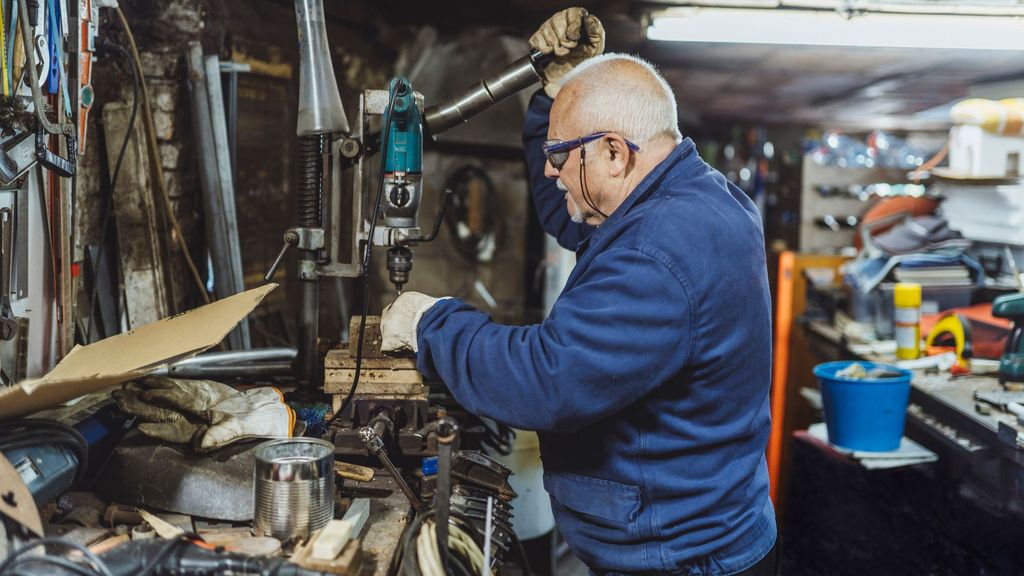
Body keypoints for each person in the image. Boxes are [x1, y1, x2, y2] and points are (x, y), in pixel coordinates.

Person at [381, 8, 777, 575]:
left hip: (684, 559)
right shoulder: (696, 194)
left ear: (614, 152)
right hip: (703, 531)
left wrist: (432, 322)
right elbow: (572, 214)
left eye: (560, 156)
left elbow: (548, 380)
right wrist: (554, 92)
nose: (549, 172)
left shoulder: (658, 252)